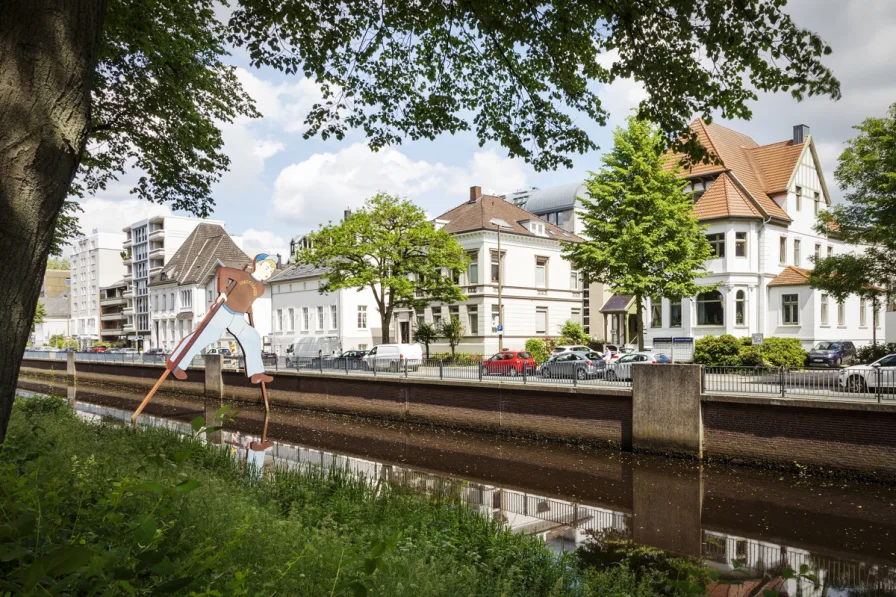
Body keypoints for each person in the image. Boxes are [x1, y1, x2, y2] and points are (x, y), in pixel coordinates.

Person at [167, 254, 277, 384]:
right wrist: (222, 293)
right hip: (224, 311)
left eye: (271, 270)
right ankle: (176, 363)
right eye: (266, 267)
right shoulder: (243, 276)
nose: (268, 272)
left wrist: (248, 310)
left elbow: (245, 299)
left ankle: (256, 373)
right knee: (204, 336)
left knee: (252, 336)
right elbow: (223, 272)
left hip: (238, 317)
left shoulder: (260, 289)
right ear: (257, 265)